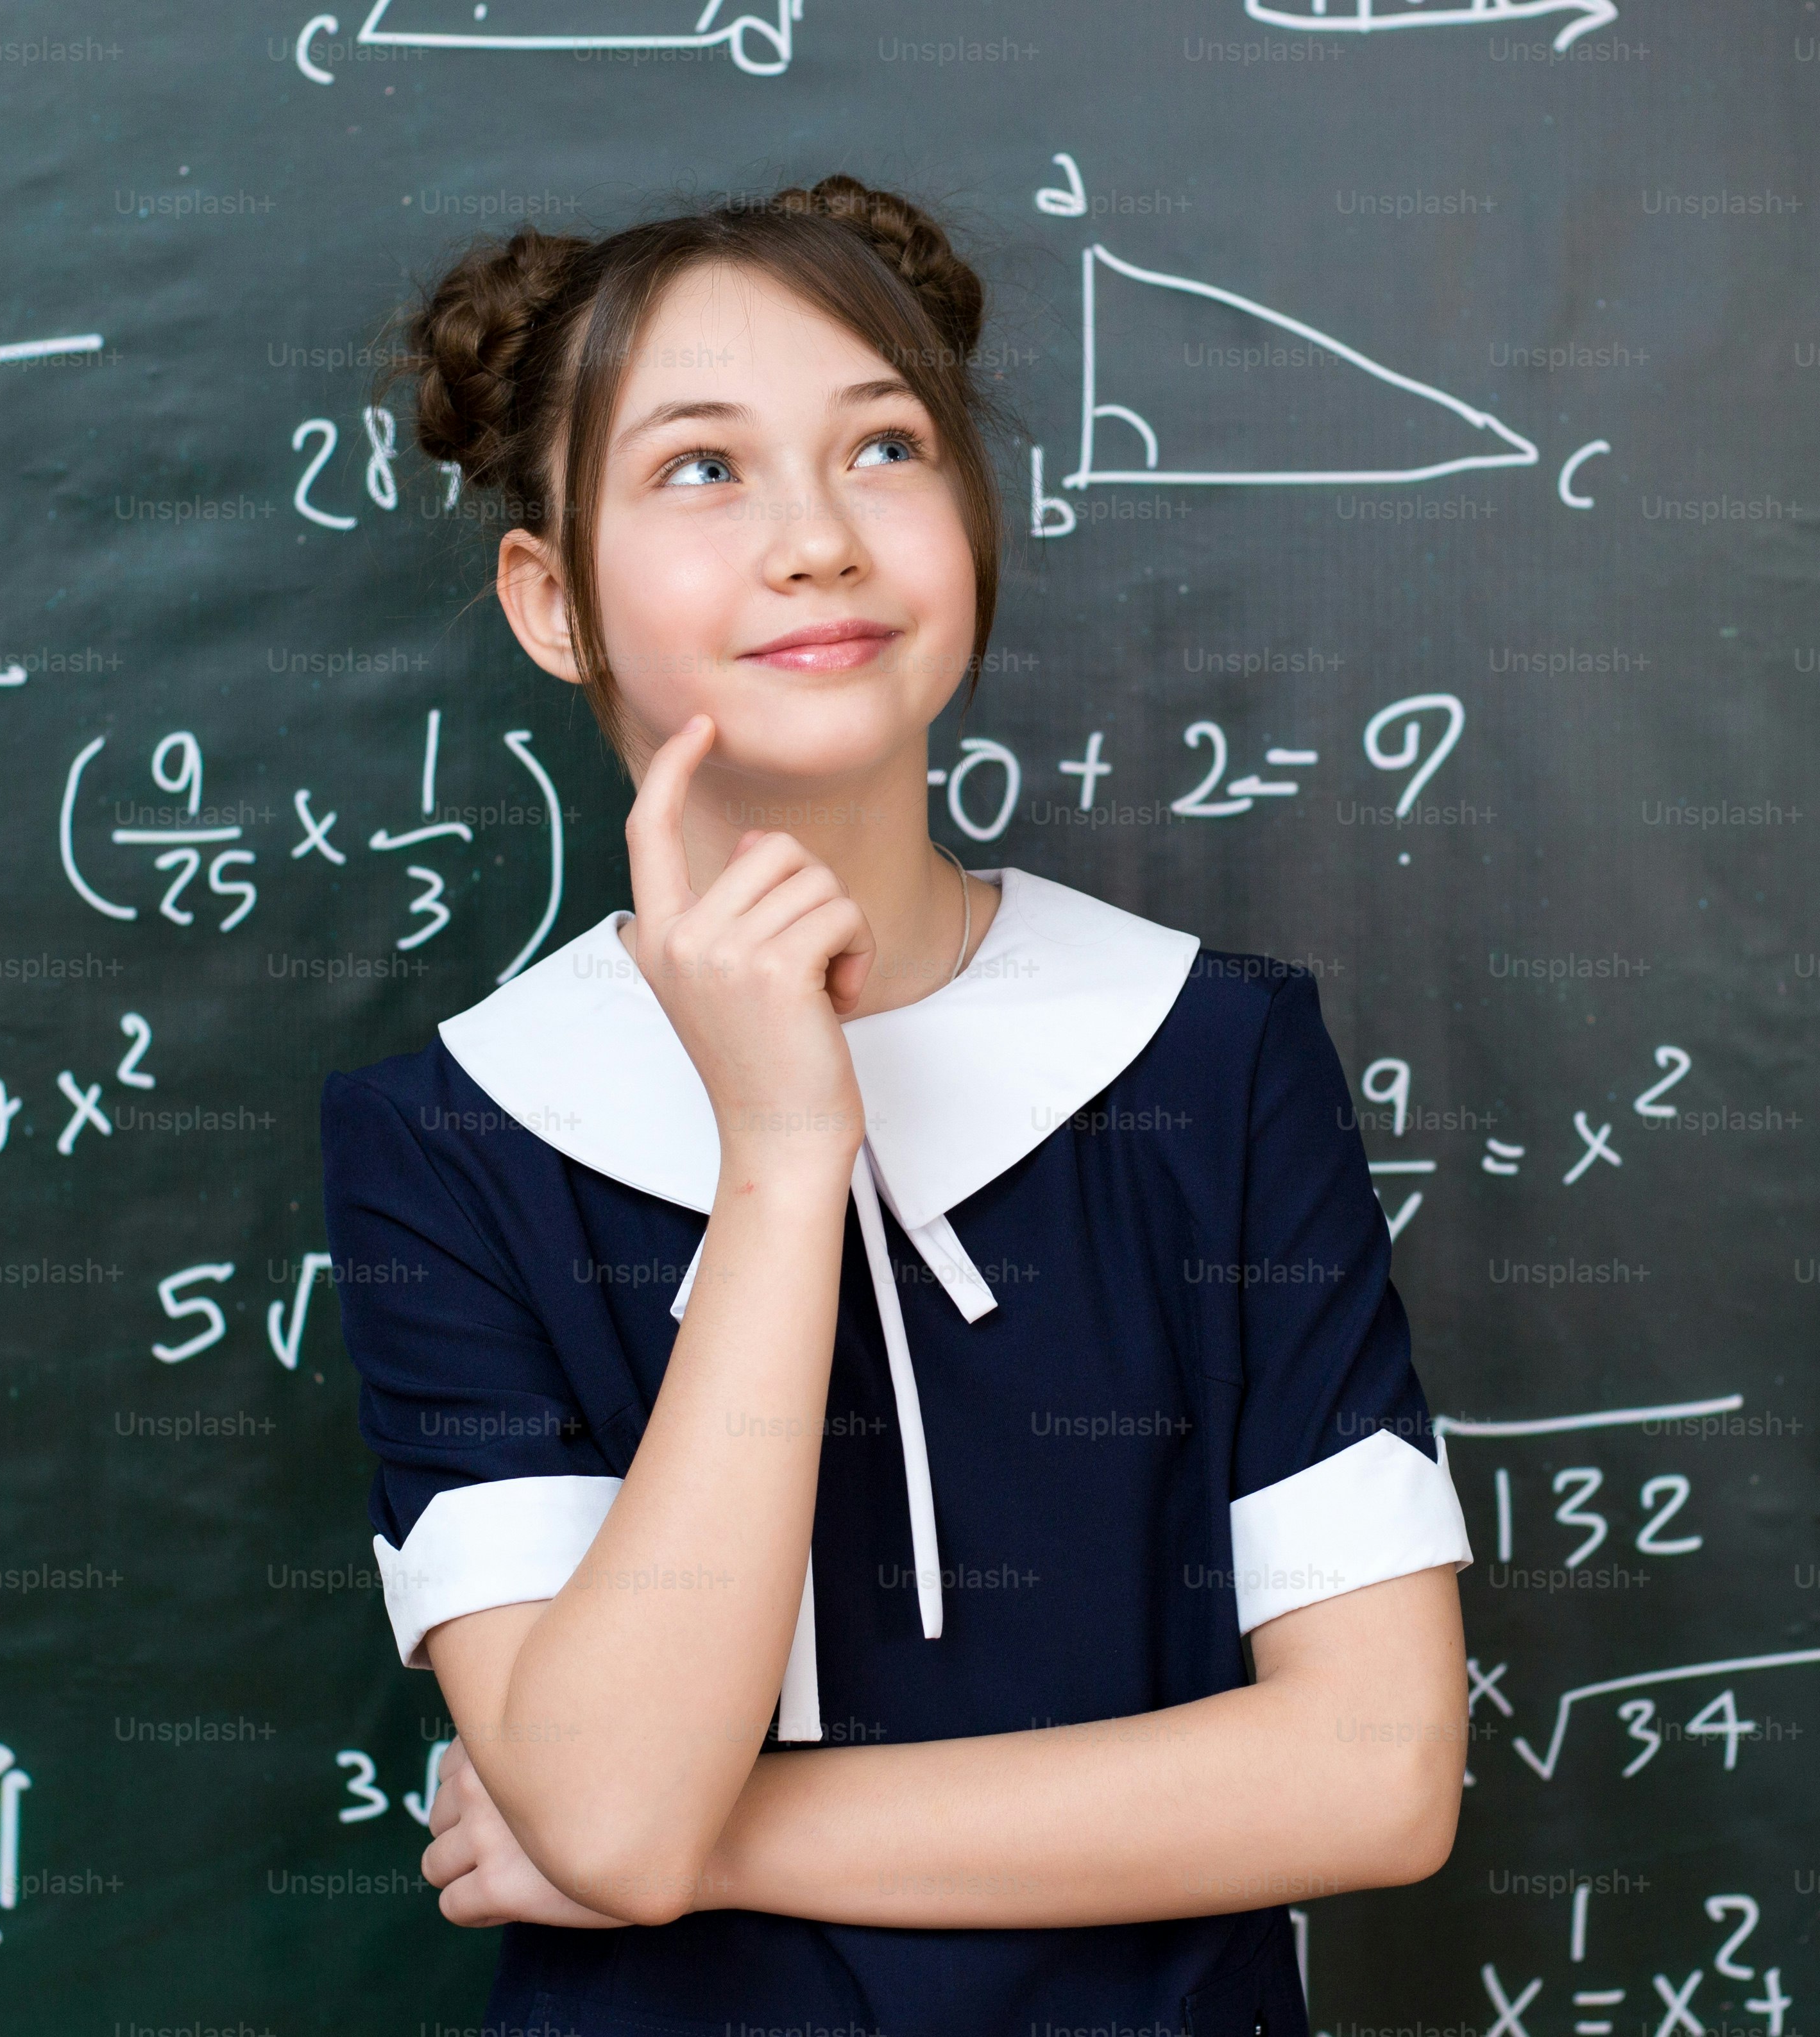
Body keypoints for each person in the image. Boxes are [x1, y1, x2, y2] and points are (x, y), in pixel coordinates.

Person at [318, 173, 1473, 2036]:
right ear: (550, 598)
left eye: (884, 447)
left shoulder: (1209, 1052)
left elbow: (1375, 1773)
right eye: (701, 470)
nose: (815, 542)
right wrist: (783, 1158)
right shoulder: (454, 1136)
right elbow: (604, 1806)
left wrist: (694, 1841)